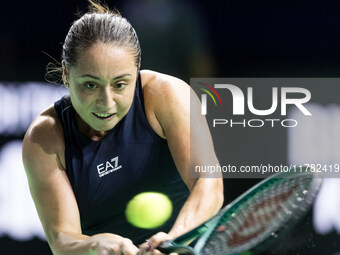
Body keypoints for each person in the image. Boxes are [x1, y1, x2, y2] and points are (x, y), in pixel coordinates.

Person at [22, 1, 223, 254]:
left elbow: (208, 183)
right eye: (90, 85)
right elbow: (62, 240)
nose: (107, 102)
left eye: (119, 85)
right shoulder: (45, 138)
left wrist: (175, 240)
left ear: (136, 70)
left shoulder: (168, 95)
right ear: (65, 74)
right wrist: (95, 244)